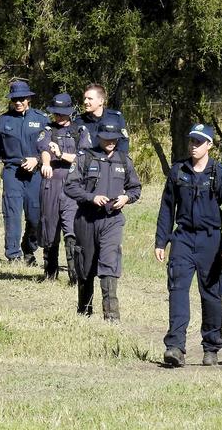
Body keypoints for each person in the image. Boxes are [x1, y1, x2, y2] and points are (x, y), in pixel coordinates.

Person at [155, 124, 222, 367]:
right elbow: (166, 208)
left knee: (211, 295)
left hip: (211, 240)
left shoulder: (220, 174)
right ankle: (175, 347)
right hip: (182, 238)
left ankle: (211, 346)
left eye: (199, 142)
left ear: (210, 145)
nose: (194, 146)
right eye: (192, 141)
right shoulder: (178, 172)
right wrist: (161, 240)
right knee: (178, 291)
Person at [64, 122, 141, 321]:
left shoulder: (124, 160)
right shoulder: (85, 157)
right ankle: (85, 311)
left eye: (114, 137)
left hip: (112, 220)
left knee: (109, 263)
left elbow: (135, 188)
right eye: (107, 137)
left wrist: (126, 198)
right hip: (87, 219)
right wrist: (91, 197)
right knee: (86, 267)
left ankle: (111, 316)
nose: (111, 141)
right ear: (99, 137)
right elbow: (70, 187)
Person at [0, 80, 50, 264]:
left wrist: (38, 160)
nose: (18, 102)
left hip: (36, 174)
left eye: (22, 99)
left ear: (29, 99)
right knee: (12, 214)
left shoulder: (42, 119)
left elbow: (49, 147)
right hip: (12, 173)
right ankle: (13, 254)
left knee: (36, 216)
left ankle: (29, 248)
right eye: (15, 99)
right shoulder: (3, 121)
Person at [38, 93, 92, 282]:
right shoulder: (47, 129)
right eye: (56, 114)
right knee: (49, 227)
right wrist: (46, 163)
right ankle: (50, 273)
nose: (59, 117)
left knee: (71, 229)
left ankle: (74, 275)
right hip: (51, 183)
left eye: (63, 114)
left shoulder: (81, 130)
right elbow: (44, 149)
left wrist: (61, 154)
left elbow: (83, 158)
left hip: (72, 184)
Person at [73, 83, 129, 152]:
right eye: (85, 98)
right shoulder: (79, 121)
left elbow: (123, 143)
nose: (85, 102)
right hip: (88, 160)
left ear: (101, 101)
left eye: (90, 99)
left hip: (112, 160)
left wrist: (115, 159)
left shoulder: (116, 118)